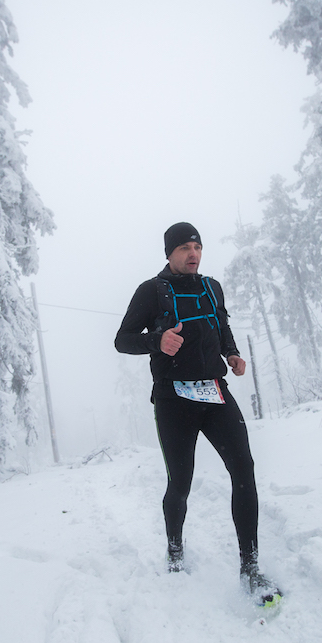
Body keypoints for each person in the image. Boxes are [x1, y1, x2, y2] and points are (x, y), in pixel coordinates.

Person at [114, 222, 279, 604]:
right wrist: (157, 341)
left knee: (244, 470)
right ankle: (175, 549)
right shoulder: (151, 291)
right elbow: (122, 340)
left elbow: (221, 326)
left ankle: (250, 566)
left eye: (198, 247)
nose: (193, 254)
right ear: (169, 253)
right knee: (181, 482)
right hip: (173, 399)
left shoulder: (211, 287)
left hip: (215, 391)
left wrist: (231, 354)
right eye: (185, 247)